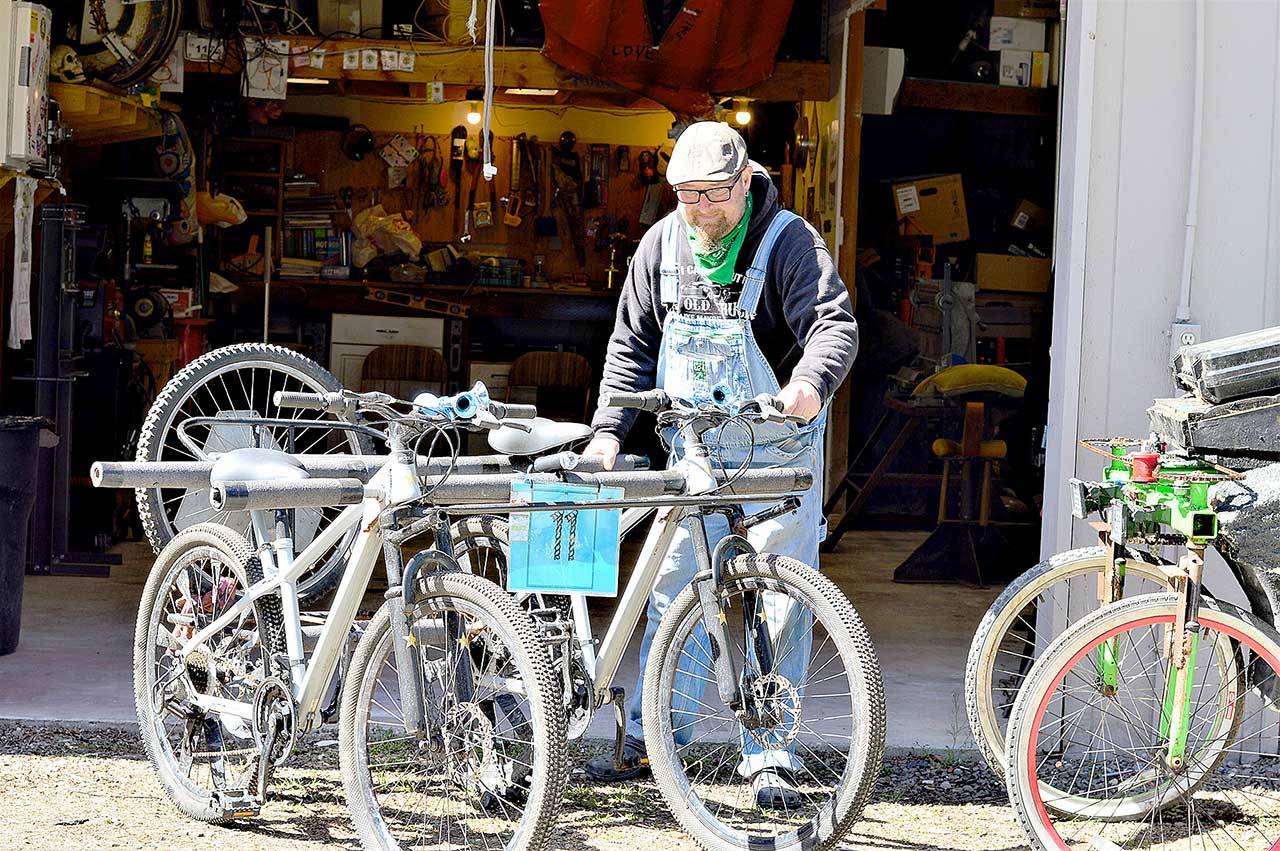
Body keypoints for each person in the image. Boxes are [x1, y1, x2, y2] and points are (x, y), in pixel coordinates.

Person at [580, 121, 858, 808]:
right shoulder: (661, 246)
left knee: (781, 600)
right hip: (695, 452)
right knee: (676, 588)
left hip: (775, 451)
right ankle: (654, 739)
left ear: (744, 182)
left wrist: (808, 386)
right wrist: (608, 432)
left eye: (712, 196)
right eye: (686, 197)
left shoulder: (788, 241)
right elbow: (629, 346)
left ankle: (770, 753)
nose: (700, 211)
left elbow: (833, 325)